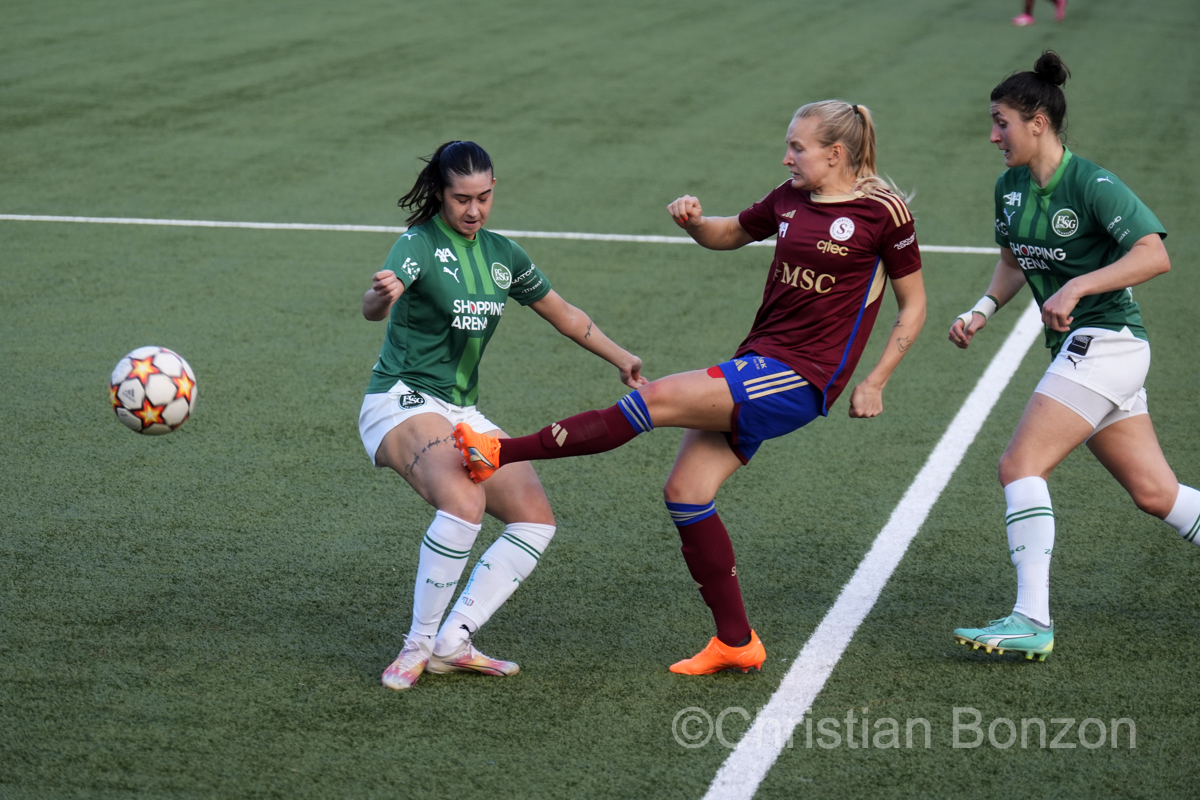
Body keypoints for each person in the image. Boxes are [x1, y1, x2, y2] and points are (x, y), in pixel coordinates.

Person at [454, 102, 927, 675]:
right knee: (686, 493)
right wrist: (696, 223)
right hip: (759, 361)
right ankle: (736, 641)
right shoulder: (789, 197)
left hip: (802, 376)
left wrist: (875, 381)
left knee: (651, 401)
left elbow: (914, 305)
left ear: (835, 153)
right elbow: (729, 233)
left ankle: (498, 451)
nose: (786, 156)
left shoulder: (884, 213)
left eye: (797, 148)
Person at [360, 140, 647, 690]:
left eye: (484, 197)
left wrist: (622, 358)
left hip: (460, 408)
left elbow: (563, 314)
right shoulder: (417, 245)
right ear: (440, 195)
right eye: (461, 198)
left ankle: (453, 641)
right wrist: (381, 295)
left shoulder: (503, 254)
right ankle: (416, 645)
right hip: (400, 399)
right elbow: (374, 308)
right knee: (464, 499)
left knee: (535, 518)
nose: (473, 210)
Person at [949, 52, 1200, 661]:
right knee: (1155, 493)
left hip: (1106, 344)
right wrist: (982, 309)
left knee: (1019, 465)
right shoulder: (1010, 187)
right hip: (1088, 351)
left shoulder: (1092, 182)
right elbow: (1013, 260)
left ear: (1038, 122)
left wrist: (1079, 285)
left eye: (1001, 121)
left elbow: (1153, 253)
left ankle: (1031, 618)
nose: (992, 135)